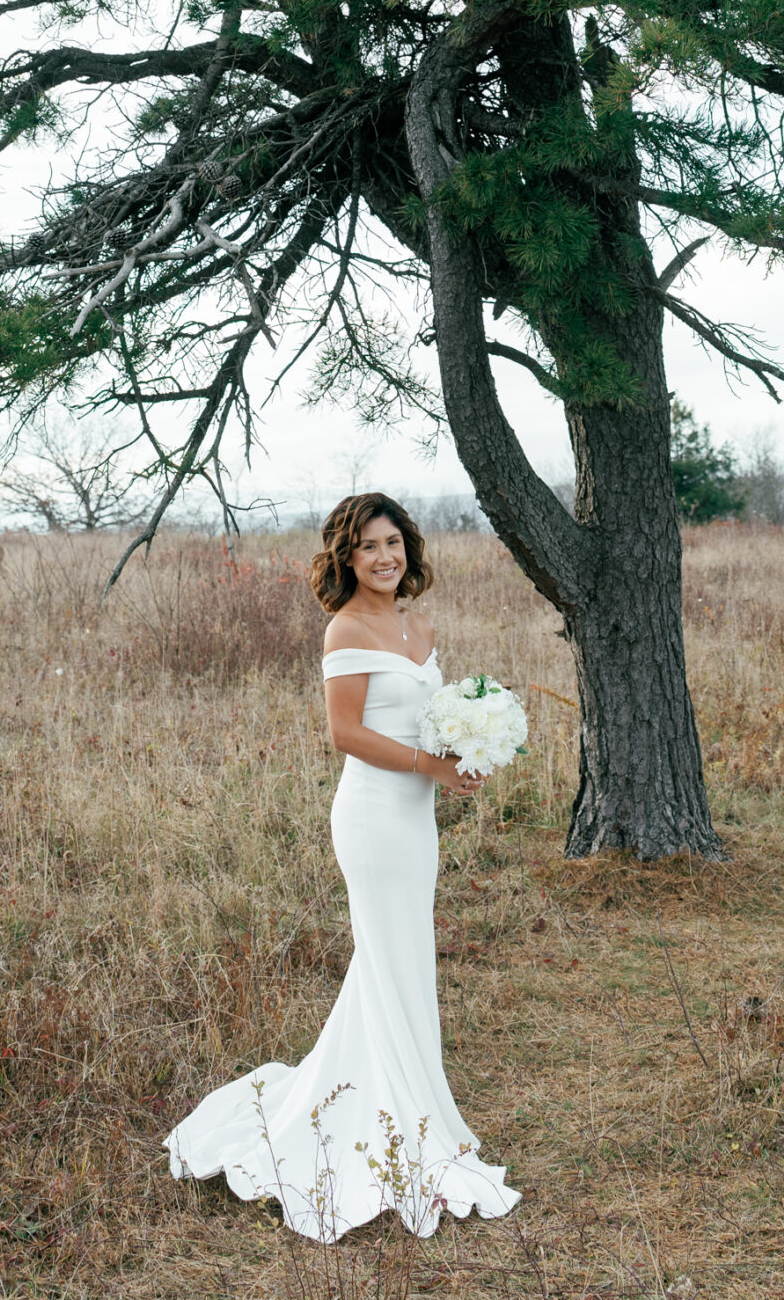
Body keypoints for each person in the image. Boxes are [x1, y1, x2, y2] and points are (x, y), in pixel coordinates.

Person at [164, 492, 522, 1242]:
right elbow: (346, 733)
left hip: (416, 818)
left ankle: (409, 1102)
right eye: (369, 547)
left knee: (400, 962)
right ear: (347, 558)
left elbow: (427, 715)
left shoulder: (418, 625)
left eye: (393, 542)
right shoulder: (345, 630)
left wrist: (464, 752)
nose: (385, 557)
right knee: (389, 960)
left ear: (408, 549)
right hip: (371, 817)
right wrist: (431, 761)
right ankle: (397, 1121)